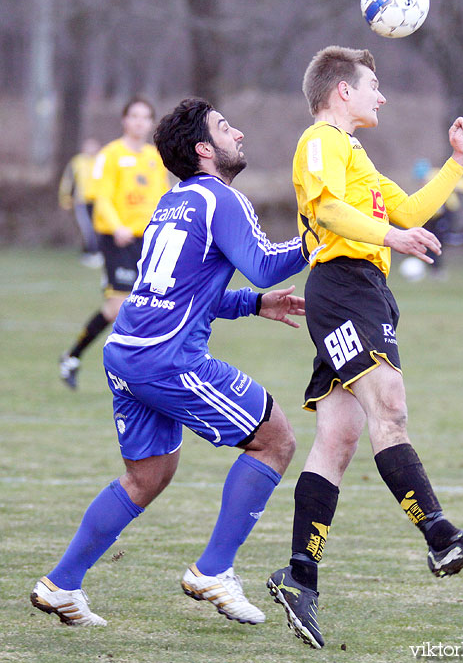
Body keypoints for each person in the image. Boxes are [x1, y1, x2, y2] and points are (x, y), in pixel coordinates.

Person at [266, 46, 463, 649]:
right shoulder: (321, 138)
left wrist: (458, 164)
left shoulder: (353, 150)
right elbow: (328, 210)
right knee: (391, 407)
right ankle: (440, 536)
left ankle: (299, 576)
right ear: (341, 92)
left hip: (363, 288)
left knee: (340, 437)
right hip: (345, 286)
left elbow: (404, 209)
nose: (381, 95)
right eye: (372, 85)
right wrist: (391, 237)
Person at [31, 97, 307, 627]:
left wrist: (252, 303)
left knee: (148, 476)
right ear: (206, 150)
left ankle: (61, 584)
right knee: (276, 440)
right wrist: (323, 232)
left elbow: (181, 292)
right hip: (167, 361)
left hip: (126, 353)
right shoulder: (221, 199)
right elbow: (266, 265)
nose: (240, 134)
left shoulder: (174, 199)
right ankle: (213, 570)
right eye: (227, 128)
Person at [59, 97, 169, 390]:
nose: (139, 122)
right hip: (118, 240)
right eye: (133, 116)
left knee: (145, 307)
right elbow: (101, 198)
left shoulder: (154, 157)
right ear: (124, 120)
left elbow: (163, 197)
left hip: (147, 242)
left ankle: (72, 356)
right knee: (119, 307)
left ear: (150, 123)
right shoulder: (110, 155)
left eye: (145, 117)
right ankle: (89, 361)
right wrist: (118, 226)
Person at [411, 157, 463, 278]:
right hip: (433, 216)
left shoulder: (435, 176)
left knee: (441, 239)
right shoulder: (425, 180)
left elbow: (460, 182)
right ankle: (435, 269)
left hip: (445, 213)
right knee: (433, 240)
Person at [57, 137, 103, 268]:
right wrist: (65, 197)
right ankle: (90, 253)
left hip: (98, 201)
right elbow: (68, 181)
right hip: (81, 201)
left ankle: (96, 252)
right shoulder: (77, 162)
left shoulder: (101, 161)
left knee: (98, 227)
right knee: (87, 228)